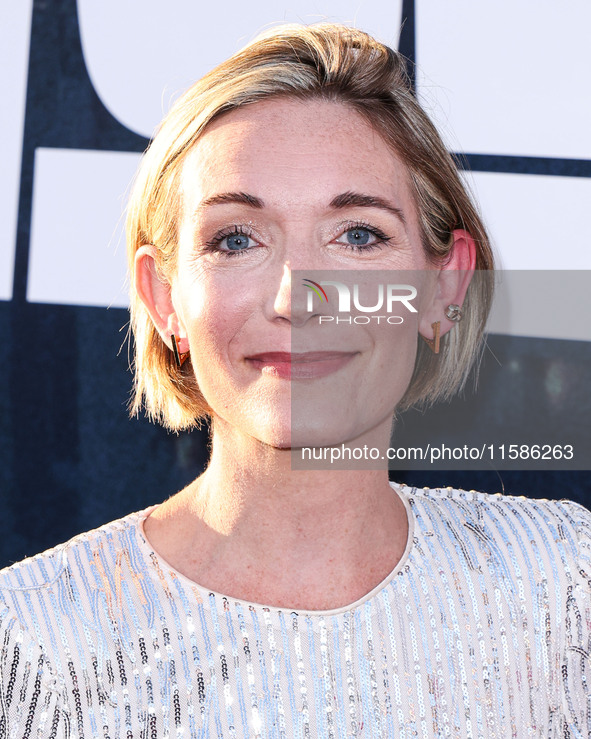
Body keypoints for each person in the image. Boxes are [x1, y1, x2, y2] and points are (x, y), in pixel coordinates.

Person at [0, 22, 589, 738]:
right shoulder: (31, 642)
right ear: (163, 299)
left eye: (358, 236)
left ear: (445, 284)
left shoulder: (562, 584)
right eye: (236, 239)